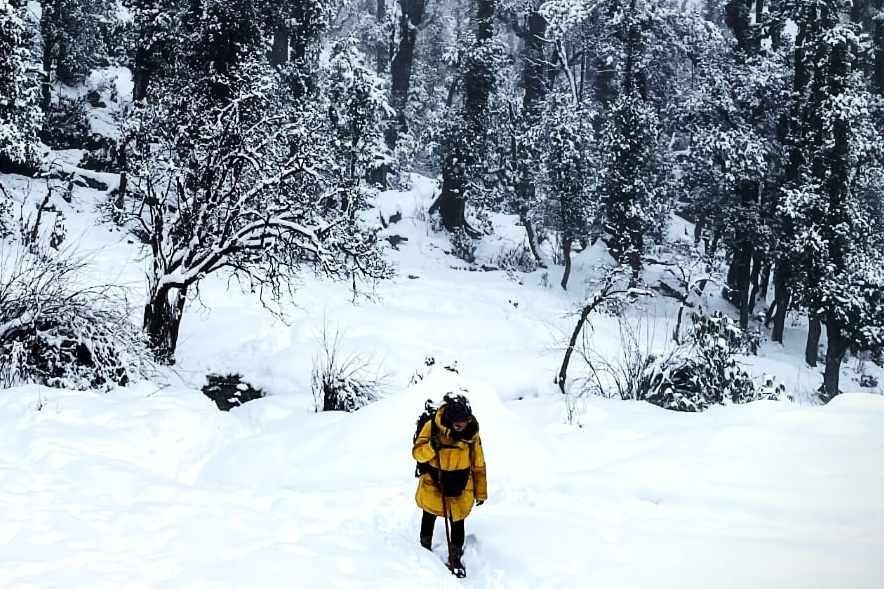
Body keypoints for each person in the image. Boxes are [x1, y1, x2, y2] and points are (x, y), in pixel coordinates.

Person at [412, 393, 487, 574]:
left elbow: (478, 464)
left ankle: (455, 558)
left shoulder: (472, 434)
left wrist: (481, 492)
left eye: (464, 421)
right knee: (429, 516)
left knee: (458, 521)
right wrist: (432, 446)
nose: (460, 425)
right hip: (434, 483)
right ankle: (424, 552)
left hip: (460, 485)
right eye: (457, 422)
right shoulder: (432, 428)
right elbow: (417, 453)